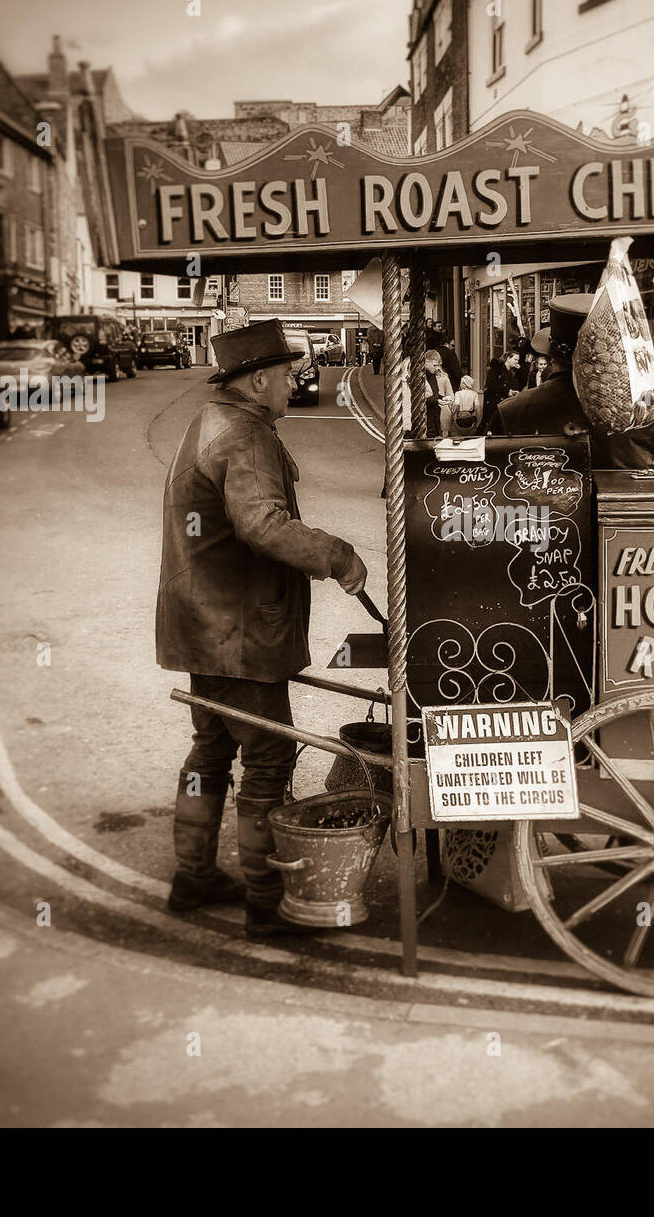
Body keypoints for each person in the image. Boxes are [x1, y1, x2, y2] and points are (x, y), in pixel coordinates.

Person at [156, 318, 368, 938]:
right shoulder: (244, 434)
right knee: (268, 760)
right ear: (257, 380)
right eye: (286, 374)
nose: (294, 382)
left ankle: (193, 877)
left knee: (212, 749)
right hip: (236, 633)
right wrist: (338, 555)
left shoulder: (210, 422)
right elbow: (262, 524)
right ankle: (266, 901)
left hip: (203, 624)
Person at [490, 293, 654, 470]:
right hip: (628, 509)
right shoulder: (651, 410)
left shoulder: (510, 412)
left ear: (552, 358)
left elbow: (488, 482)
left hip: (539, 510)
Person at [422, 349, 454, 438]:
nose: (437, 368)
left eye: (438, 366)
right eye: (435, 365)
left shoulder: (432, 376)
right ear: (426, 362)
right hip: (426, 417)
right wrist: (437, 400)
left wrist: (442, 398)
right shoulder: (422, 377)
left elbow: (434, 393)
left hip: (435, 414)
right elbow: (421, 398)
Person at [426, 324, 463, 391]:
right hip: (449, 384)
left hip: (433, 385)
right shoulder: (449, 353)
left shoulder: (431, 353)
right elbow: (456, 371)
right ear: (446, 343)